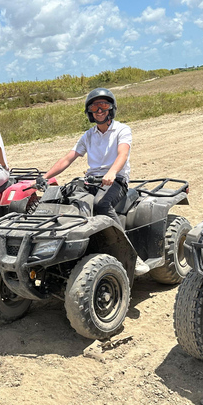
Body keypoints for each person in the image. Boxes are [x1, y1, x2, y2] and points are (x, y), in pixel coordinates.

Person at [41, 88, 148, 275]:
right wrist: (45, 177)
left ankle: (130, 253)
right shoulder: (88, 135)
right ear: (89, 112)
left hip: (116, 181)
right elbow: (68, 158)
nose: (99, 110)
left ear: (111, 108)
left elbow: (123, 153)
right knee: (65, 200)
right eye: (94, 106)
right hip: (92, 180)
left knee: (101, 204)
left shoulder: (122, 130)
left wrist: (113, 172)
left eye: (103, 105)